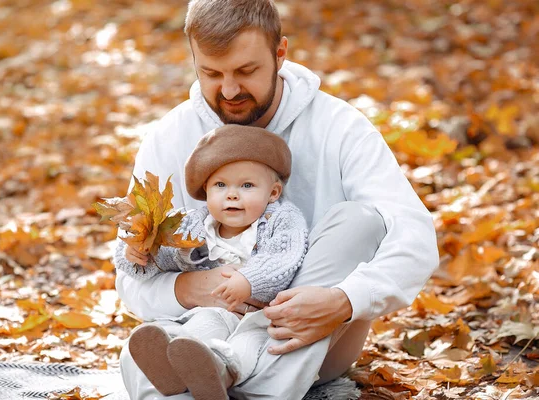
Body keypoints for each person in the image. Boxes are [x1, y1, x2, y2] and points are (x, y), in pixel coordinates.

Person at [114, 0, 440, 398]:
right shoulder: (170, 137)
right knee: (140, 353)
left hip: (306, 336)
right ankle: (214, 377)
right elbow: (131, 278)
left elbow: (415, 238)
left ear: (280, 53)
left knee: (360, 220)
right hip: (203, 326)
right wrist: (189, 288)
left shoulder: (339, 127)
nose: (230, 90)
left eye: (246, 71)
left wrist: (343, 300)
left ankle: (249, 386)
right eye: (211, 73)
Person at [114, 125, 309, 399]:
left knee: (249, 344)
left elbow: (284, 257)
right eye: (221, 185)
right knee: (200, 327)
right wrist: (139, 254)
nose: (232, 194)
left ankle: (220, 371)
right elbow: (164, 254)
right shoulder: (195, 224)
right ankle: (180, 367)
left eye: (247, 185)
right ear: (206, 191)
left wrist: (249, 280)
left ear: (273, 192)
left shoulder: (282, 220)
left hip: (258, 317)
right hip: (214, 310)